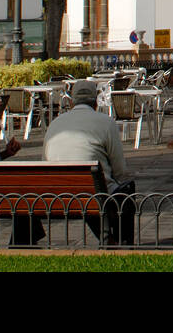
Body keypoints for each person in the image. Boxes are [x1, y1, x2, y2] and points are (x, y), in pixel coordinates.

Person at [44, 80, 135, 243]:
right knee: (124, 192)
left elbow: (45, 161)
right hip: (94, 195)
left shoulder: (55, 123)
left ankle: (109, 239)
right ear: (95, 102)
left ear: (71, 102)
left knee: (91, 189)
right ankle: (121, 243)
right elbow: (120, 169)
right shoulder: (106, 122)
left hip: (57, 196)